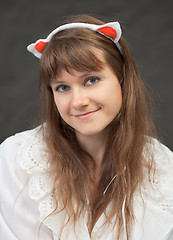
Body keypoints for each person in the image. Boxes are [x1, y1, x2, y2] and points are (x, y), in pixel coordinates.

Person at [0, 14, 173, 240]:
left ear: (122, 79)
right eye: (62, 87)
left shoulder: (163, 170)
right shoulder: (16, 159)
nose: (78, 101)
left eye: (91, 80)